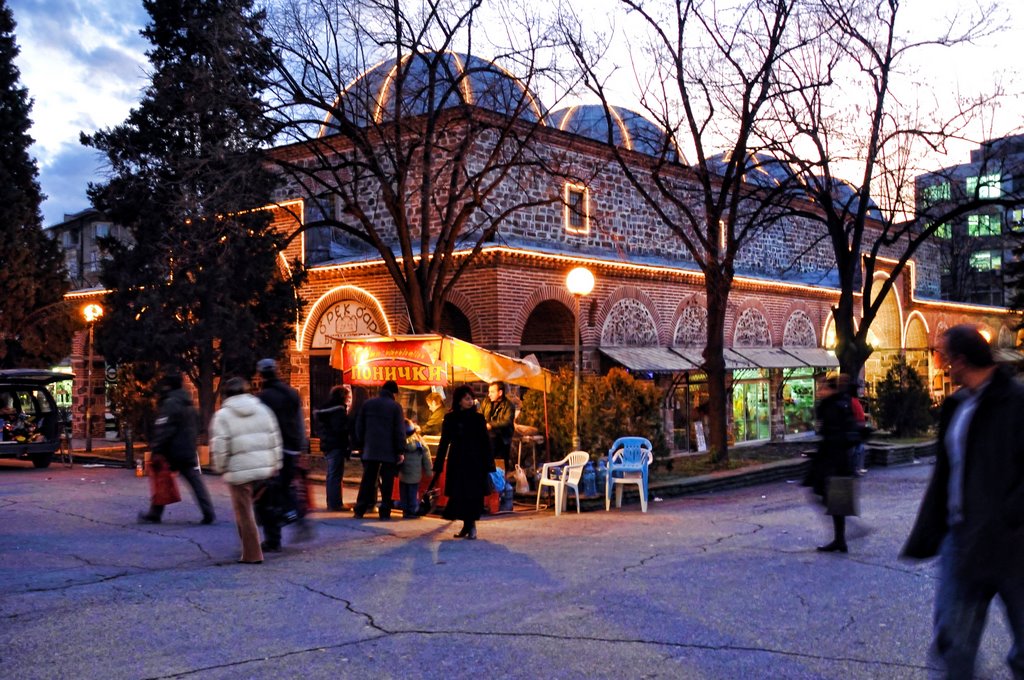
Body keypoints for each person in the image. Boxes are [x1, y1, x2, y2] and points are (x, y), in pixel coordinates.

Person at [902, 324, 1024, 679]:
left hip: (1014, 544)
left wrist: (1009, 515)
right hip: (963, 539)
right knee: (954, 641)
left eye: (943, 356)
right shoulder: (956, 406)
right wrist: (931, 528)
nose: (940, 364)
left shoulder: (1015, 403)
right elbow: (945, 473)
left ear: (960, 359)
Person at [210, 377, 282, 564]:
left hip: (239, 472)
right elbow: (274, 438)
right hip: (264, 469)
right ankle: (265, 541)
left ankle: (252, 554)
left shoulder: (223, 416)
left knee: (244, 513)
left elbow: (220, 446)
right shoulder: (263, 410)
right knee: (259, 508)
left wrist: (220, 466)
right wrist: (276, 463)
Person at [138, 368, 215, 525]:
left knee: (161, 479)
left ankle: (155, 513)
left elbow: (164, 428)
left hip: (172, 450)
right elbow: (197, 426)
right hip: (188, 449)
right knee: (195, 481)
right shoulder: (189, 404)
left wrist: (157, 448)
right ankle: (208, 512)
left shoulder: (170, 404)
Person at [256, 358, 311, 550]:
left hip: (274, 449)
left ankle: (273, 538)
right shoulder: (291, 393)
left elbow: (263, 427)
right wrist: (302, 446)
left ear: (261, 374)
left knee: (269, 494)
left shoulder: (263, 398)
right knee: (286, 487)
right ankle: (297, 516)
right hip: (292, 448)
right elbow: (299, 421)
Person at [430, 384, 494, 540]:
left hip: (475, 462)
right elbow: (444, 442)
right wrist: (438, 465)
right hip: (458, 460)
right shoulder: (451, 418)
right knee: (460, 494)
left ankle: (471, 526)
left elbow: (485, 442)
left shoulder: (478, 418)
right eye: (467, 398)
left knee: (472, 494)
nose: (470, 401)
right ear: (459, 401)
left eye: (471, 398)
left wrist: (488, 464)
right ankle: (467, 526)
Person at [804, 374, 857, 553]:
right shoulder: (843, 403)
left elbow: (831, 433)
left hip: (832, 459)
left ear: (831, 389)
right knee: (834, 497)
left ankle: (842, 537)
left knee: (825, 494)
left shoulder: (833, 406)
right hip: (840, 459)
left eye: (823, 388)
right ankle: (840, 539)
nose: (820, 391)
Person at [353, 380, 406, 520]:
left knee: (368, 480)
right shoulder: (395, 407)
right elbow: (399, 431)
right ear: (394, 393)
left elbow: (359, 426)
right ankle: (385, 511)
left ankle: (360, 509)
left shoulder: (368, 404)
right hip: (389, 451)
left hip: (370, 449)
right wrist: (400, 450)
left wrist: (361, 444)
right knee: (387, 481)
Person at [315, 385, 350, 512]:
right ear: (342, 396)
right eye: (347, 395)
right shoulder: (338, 411)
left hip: (327, 444)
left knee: (332, 473)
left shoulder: (325, 410)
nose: (348, 398)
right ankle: (335, 503)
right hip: (336, 444)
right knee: (335, 474)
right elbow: (340, 429)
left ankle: (333, 502)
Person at [398, 419, 432, 518]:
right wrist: (429, 471)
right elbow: (427, 458)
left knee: (404, 493)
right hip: (415, 474)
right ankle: (412, 510)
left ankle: (405, 510)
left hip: (403, 473)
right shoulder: (419, 441)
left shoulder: (401, 442)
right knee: (413, 493)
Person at [480, 381, 514, 470]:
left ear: (500, 393)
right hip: (486, 440)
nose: (489, 394)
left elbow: (507, 421)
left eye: (492, 392)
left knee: (500, 467)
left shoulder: (509, 405)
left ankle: (500, 482)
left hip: (502, 440)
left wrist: (491, 425)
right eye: (489, 391)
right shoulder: (486, 402)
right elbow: (479, 415)